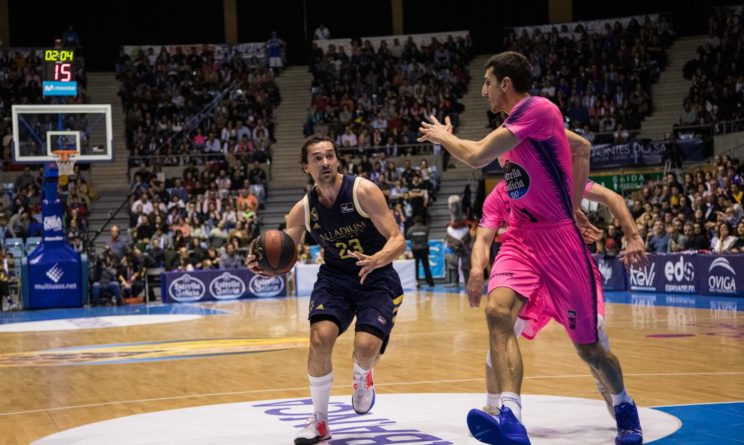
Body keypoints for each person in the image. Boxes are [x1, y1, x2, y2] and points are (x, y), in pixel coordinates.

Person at [418, 51, 642, 445]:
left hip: (559, 241)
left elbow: (476, 155)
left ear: (505, 83)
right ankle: (511, 416)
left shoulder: (538, 110)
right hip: (521, 237)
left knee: (590, 348)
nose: (484, 90)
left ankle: (623, 405)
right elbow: (581, 148)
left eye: (487, 82)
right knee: (497, 312)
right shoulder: (516, 126)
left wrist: (570, 208)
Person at [246, 136, 406, 445]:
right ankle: (319, 421)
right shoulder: (303, 210)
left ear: (337, 159)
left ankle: (363, 377)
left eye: (330, 156)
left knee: (366, 347)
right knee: (320, 338)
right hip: (335, 277)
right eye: (317, 158)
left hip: (376, 276)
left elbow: (398, 238)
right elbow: (286, 254)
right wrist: (263, 265)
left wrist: (377, 259)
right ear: (307, 167)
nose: (326, 162)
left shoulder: (363, 191)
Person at [468, 179, 647, 419]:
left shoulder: (556, 174)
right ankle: (493, 406)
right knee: (500, 326)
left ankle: (613, 392)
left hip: (567, 263)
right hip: (526, 265)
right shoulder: (500, 192)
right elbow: (483, 238)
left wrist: (633, 236)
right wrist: (477, 269)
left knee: (594, 338)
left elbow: (612, 196)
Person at [406, 215, 434, 288]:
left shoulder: (410, 229)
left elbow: (407, 236)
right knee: (426, 266)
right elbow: (427, 236)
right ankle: (430, 283)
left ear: (414, 221)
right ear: (421, 221)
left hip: (415, 249)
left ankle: (417, 283)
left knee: (415, 267)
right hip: (424, 249)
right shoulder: (425, 228)